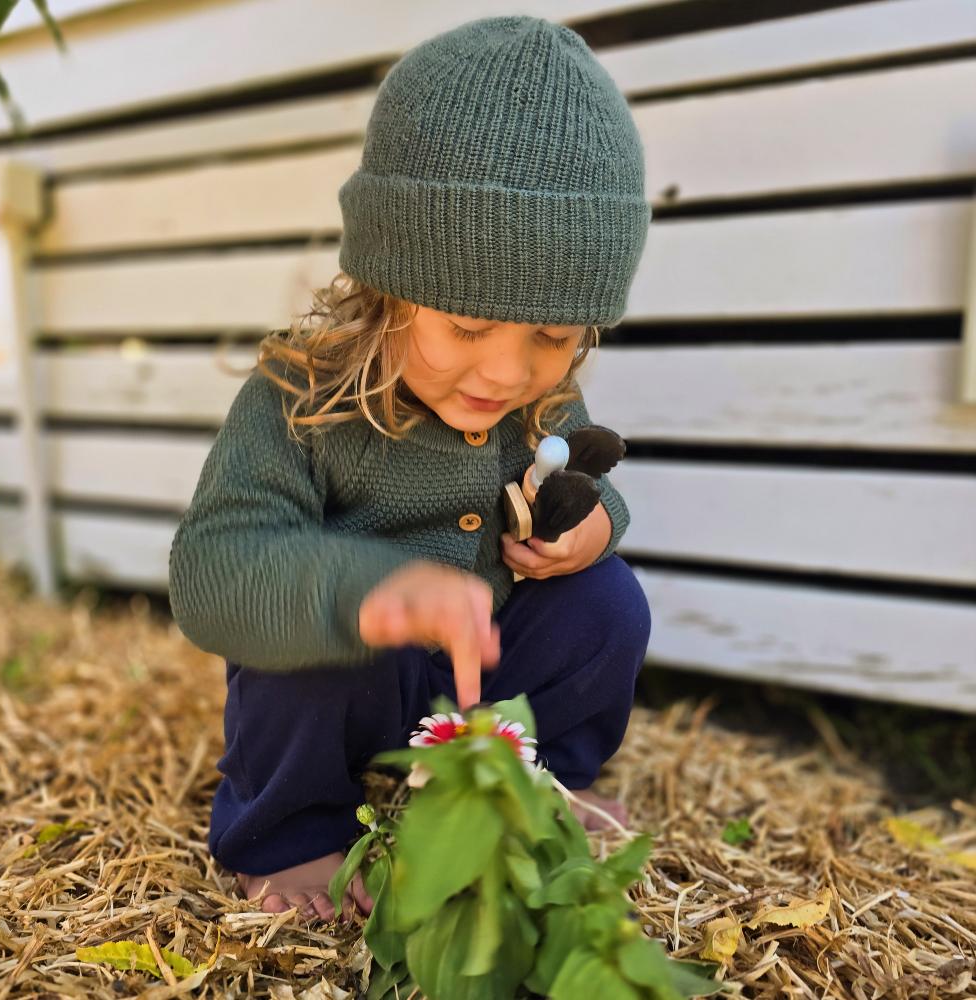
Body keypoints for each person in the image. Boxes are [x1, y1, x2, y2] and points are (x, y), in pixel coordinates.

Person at [168, 14, 653, 923]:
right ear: (384, 283)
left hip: (481, 675)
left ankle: (545, 780)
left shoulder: (536, 403)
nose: (508, 373)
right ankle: (289, 834)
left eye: (553, 336)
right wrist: (369, 591)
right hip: (353, 676)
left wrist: (591, 530)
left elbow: (588, 479)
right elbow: (213, 571)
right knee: (307, 647)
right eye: (466, 327)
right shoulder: (301, 401)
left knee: (608, 604)